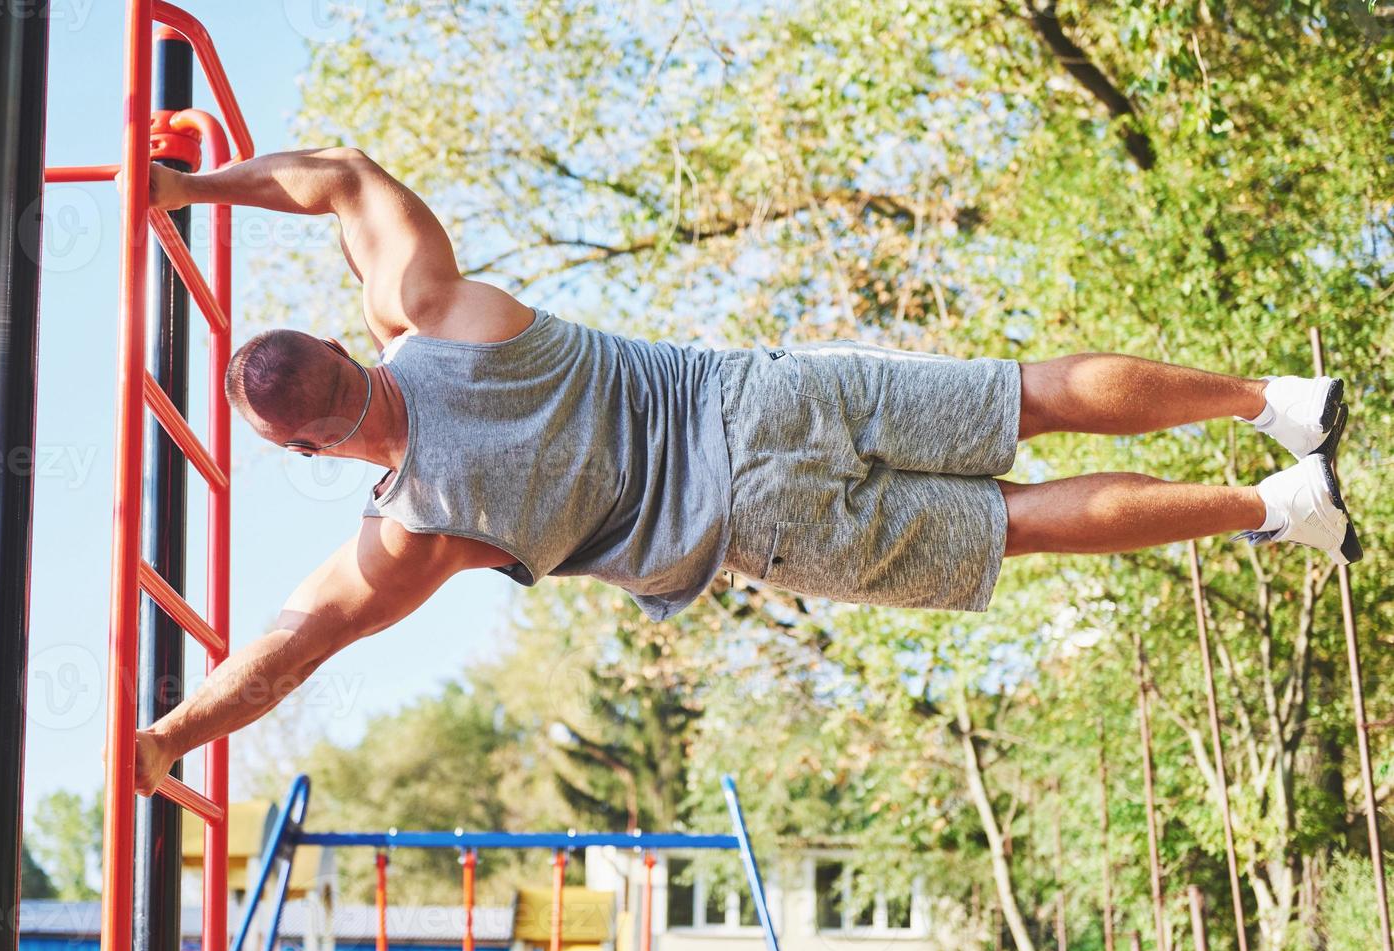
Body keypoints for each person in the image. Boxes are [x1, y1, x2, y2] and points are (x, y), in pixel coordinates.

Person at [130, 148, 1361, 795]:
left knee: (1016, 524)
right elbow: (340, 176)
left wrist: (166, 742)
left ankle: (1280, 504)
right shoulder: (439, 311)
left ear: (299, 447)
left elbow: (283, 654)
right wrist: (189, 189)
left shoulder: (415, 530)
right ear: (350, 340)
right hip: (757, 391)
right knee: (1024, 391)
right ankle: (1276, 401)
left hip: (753, 522)